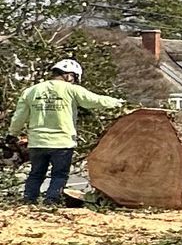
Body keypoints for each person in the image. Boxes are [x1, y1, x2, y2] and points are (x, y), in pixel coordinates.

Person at [8, 59, 124, 207]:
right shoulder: (71, 89)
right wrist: (119, 103)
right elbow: (95, 101)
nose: (73, 81)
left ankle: (28, 201)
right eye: (74, 78)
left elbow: (19, 116)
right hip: (62, 141)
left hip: (37, 141)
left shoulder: (31, 91)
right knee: (59, 175)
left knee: (36, 174)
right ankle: (51, 201)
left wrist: (12, 133)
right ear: (69, 75)